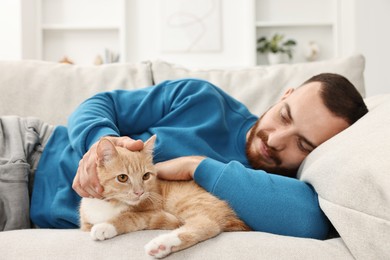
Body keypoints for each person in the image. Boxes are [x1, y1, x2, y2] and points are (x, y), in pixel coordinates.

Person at [0, 73, 368, 239]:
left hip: (28, 214)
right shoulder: (202, 98)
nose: (276, 139)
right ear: (285, 94)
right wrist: (99, 143)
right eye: (284, 116)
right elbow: (98, 104)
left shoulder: (275, 190)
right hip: (28, 149)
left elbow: (312, 221)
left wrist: (197, 166)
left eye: (303, 144)